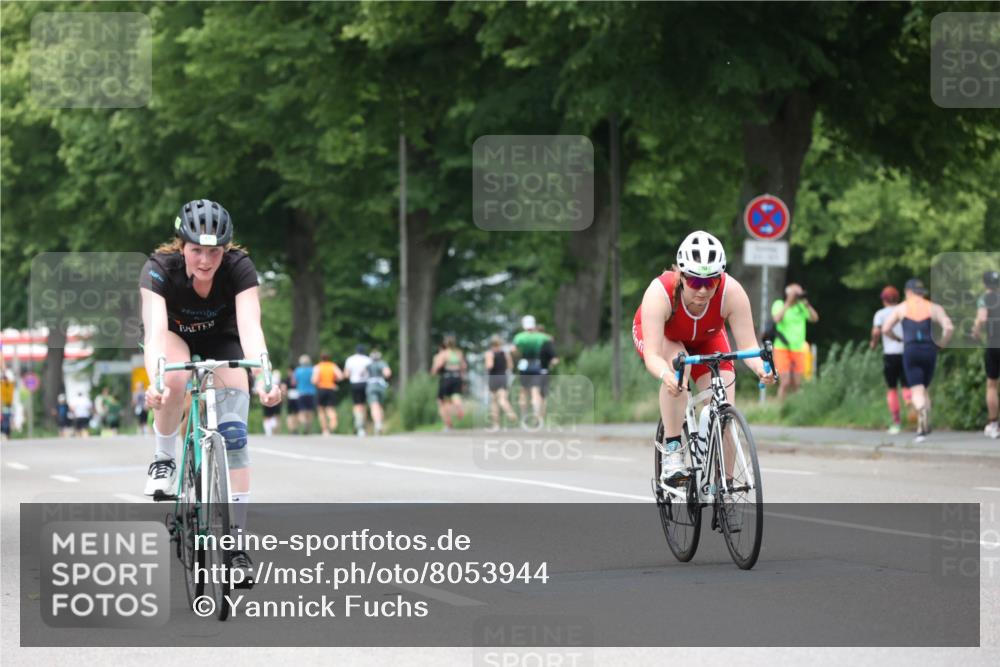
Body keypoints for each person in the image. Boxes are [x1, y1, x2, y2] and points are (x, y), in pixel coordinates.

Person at [138, 198, 281, 581]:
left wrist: (267, 378)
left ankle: (235, 544)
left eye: (214, 251)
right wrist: (154, 381)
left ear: (226, 250)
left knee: (234, 433)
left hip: (222, 340)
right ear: (181, 246)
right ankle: (164, 457)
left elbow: (251, 327)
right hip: (172, 337)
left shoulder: (239, 268)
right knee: (174, 380)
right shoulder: (158, 269)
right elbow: (153, 333)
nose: (205, 260)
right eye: (196, 250)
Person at [632, 231, 775, 482]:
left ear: (720, 279)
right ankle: (674, 450)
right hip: (664, 337)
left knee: (725, 408)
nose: (703, 290)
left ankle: (726, 489)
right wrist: (666, 374)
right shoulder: (660, 292)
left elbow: (749, 346)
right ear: (681, 276)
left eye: (711, 282)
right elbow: (653, 355)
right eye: (695, 282)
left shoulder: (732, 292)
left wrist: (761, 369)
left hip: (707, 338)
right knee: (680, 370)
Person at [881, 278, 954, 443]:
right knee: (925, 387)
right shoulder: (933, 307)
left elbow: (885, 328)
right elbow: (949, 327)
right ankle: (927, 426)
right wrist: (941, 343)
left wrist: (898, 339)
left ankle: (921, 419)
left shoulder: (902, 308)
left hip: (911, 349)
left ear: (908, 292)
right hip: (930, 350)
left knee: (916, 389)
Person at [870, 286, 913, 434]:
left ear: (883, 300)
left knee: (892, 388)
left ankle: (896, 422)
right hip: (906, 352)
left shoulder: (880, 314)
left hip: (890, 354)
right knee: (907, 384)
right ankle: (910, 402)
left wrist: (873, 344)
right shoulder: (904, 310)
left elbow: (876, 332)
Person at [771, 283, 819, 401]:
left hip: (798, 348)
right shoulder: (780, 304)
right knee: (785, 382)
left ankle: (795, 409)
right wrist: (788, 302)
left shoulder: (802, 306)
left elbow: (815, 318)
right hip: (782, 348)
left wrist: (807, 305)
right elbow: (777, 319)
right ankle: (780, 409)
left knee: (797, 383)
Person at [972, 270, 1000, 439]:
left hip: (993, 344)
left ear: (985, 283)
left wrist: (976, 332)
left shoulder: (985, 299)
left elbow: (982, 318)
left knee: (991, 385)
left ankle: (994, 424)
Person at [513, 315, 550, 426]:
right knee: (535, 393)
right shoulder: (540, 337)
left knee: (523, 392)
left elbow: (514, 350)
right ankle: (537, 417)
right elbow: (550, 339)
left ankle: (524, 417)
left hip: (524, 365)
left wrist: (518, 356)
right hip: (536, 365)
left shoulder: (519, 337)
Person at [431, 336, 466, 431]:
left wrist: (433, 372)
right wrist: (462, 379)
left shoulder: (444, 354)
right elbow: (463, 366)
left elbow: (437, 366)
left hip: (446, 378)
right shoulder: (459, 353)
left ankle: (448, 425)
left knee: (442, 402)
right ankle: (459, 407)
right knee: (455, 398)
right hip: (457, 377)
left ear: (446, 344)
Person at [484, 335, 517, 429]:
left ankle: (496, 424)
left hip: (493, 378)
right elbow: (510, 366)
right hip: (503, 377)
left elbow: (489, 366)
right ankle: (510, 413)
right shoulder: (505, 353)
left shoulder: (489, 353)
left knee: (494, 401)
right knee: (503, 399)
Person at [343, 344, 373, 436]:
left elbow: (346, 374)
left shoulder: (350, 359)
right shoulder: (368, 360)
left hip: (355, 384)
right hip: (365, 383)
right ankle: (362, 426)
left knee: (357, 405)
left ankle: (358, 424)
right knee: (363, 405)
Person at [312, 352, 343, 435]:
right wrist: (334, 380)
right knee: (330, 409)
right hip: (331, 388)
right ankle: (333, 425)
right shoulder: (333, 366)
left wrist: (318, 382)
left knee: (321, 410)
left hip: (321, 388)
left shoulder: (318, 367)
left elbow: (314, 380)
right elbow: (340, 376)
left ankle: (325, 430)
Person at [365, 349, 392, 435]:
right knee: (380, 406)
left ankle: (377, 424)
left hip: (371, 386)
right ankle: (380, 423)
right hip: (381, 386)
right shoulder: (382, 363)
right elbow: (387, 373)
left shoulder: (368, 364)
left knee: (374, 406)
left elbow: (362, 374)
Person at [293, 355, 317, 434]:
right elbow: (315, 380)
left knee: (301, 411)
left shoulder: (297, 370)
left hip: (301, 393)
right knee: (310, 411)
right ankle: (308, 428)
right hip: (311, 393)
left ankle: (304, 423)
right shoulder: (312, 370)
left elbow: (294, 382)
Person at [262, 369, 282, 436]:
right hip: (274, 398)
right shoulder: (275, 378)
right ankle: (272, 430)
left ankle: (269, 431)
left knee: (267, 416)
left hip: (266, 398)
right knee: (274, 415)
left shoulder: (263, 378)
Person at [283, 364, 300, 434]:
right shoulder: (297, 379)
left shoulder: (286, 379)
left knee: (291, 414)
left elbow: (284, 389)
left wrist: (284, 397)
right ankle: (294, 428)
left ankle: (292, 428)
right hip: (296, 397)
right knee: (295, 414)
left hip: (290, 397)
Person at [0, 370, 15, 439]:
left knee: (7, 420)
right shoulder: (3, 385)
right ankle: (5, 434)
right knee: (5, 420)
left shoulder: (9, 385)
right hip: (4, 405)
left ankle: (7, 434)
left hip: (8, 405)